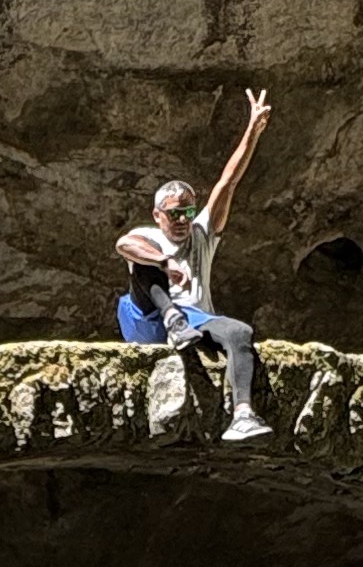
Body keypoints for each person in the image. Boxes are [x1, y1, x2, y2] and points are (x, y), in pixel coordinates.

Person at [115, 87, 273, 441]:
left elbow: (228, 182)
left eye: (188, 211)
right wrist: (165, 261)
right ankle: (172, 318)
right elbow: (123, 245)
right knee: (143, 265)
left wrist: (252, 131)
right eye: (174, 213)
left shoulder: (201, 234)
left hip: (195, 321)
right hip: (149, 321)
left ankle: (243, 415)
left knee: (239, 332)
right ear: (158, 215)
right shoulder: (147, 235)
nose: (183, 219)